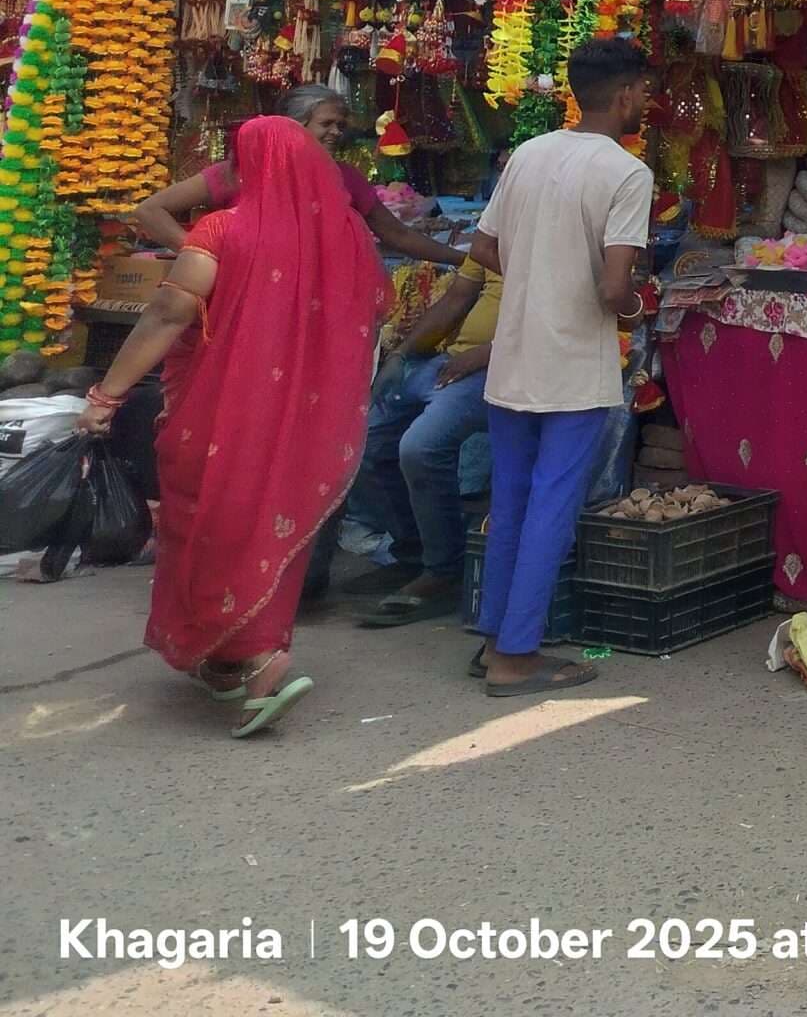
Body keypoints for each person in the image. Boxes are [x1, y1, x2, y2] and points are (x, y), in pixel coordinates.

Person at [75, 115, 388, 738]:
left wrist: (105, 395)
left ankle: (257, 661)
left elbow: (167, 313)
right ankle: (228, 655)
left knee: (212, 516)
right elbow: (373, 311)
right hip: (304, 413)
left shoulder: (222, 230)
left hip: (218, 409)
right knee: (267, 519)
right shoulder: (350, 234)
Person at [468, 37, 653, 697]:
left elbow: (483, 244)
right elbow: (612, 291)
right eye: (645, 93)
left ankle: (495, 636)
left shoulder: (528, 153)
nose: (646, 104)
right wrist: (634, 307)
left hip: (515, 357)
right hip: (572, 364)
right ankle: (516, 658)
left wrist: (534, 282)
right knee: (553, 506)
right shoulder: (627, 172)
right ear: (627, 94)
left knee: (512, 500)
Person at [131, 83, 468, 269]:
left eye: (340, 125)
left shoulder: (346, 178)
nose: (337, 132)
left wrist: (466, 261)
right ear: (293, 125)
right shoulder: (241, 172)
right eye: (326, 124)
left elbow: (398, 235)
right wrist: (204, 258)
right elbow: (150, 210)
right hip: (245, 300)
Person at [346, 255, 503, 628]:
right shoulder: (496, 230)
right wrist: (401, 354)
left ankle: (442, 570)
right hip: (451, 361)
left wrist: (486, 353)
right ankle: (414, 554)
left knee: (420, 447)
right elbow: (456, 299)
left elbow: (555, 320)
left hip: (499, 367)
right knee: (362, 441)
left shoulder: (553, 234)